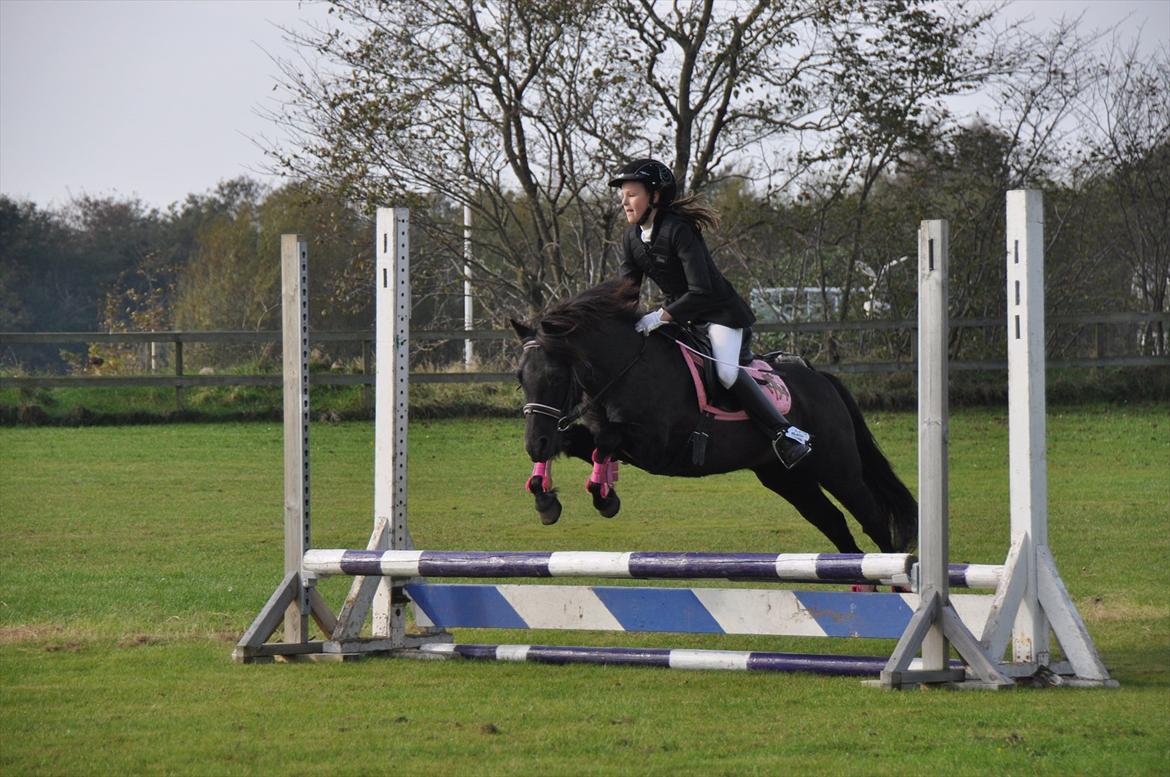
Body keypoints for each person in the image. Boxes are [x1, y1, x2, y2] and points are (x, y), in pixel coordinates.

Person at [608, 158, 812, 469]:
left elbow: (701, 290)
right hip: (683, 320)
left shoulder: (679, 230)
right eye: (622, 194)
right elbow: (628, 290)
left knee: (727, 373)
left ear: (656, 196)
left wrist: (658, 317)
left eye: (632, 193)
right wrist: (613, 319)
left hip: (720, 315)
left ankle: (785, 433)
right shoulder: (632, 238)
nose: (624, 201)